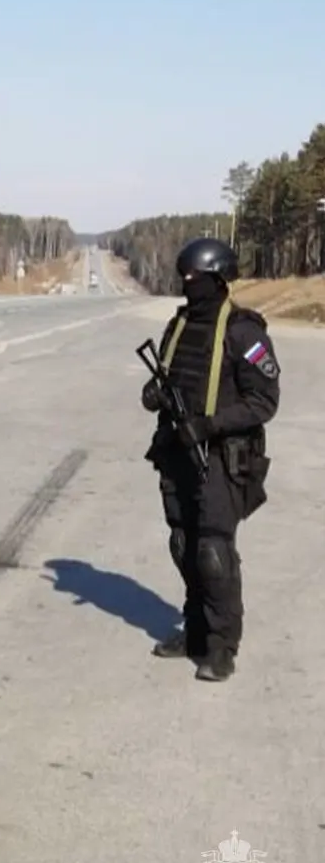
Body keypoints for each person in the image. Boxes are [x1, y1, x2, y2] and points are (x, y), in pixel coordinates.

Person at [141, 236, 280, 681]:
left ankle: (222, 645)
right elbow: (169, 379)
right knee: (183, 543)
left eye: (194, 277)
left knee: (213, 550)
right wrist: (154, 395)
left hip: (219, 456)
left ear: (217, 278)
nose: (187, 284)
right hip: (177, 452)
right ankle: (196, 631)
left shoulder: (244, 331)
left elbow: (264, 402)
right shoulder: (180, 326)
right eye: (183, 276)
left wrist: (209, 425)